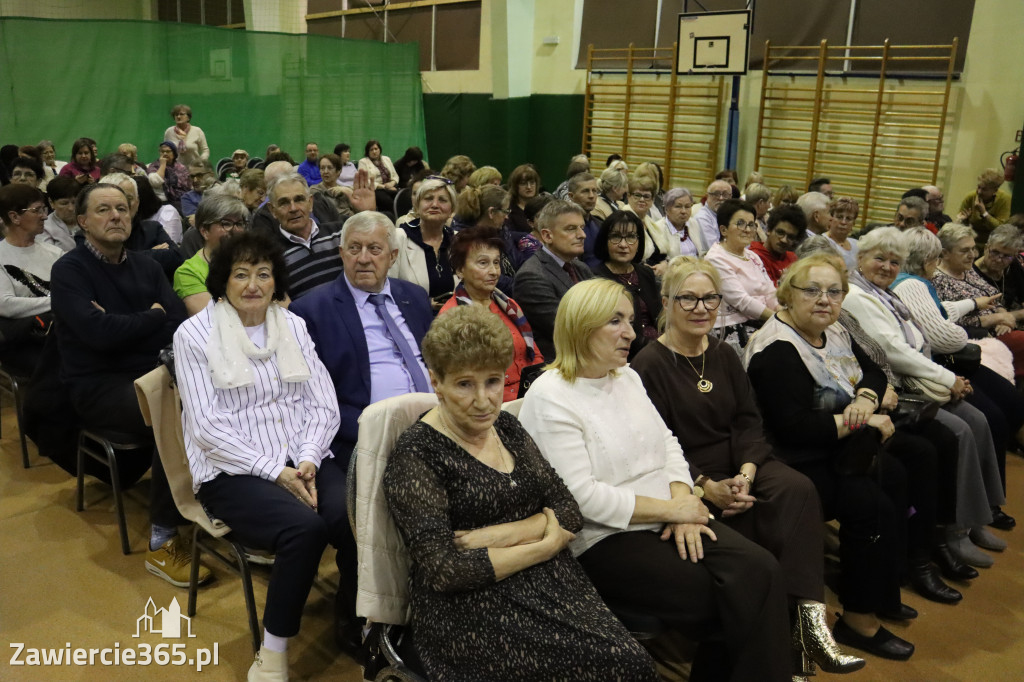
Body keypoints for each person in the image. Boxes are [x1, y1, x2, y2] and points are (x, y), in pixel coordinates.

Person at [519, 278, 792, 682]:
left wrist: (683, 505)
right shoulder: (551, 395)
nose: (631, 332)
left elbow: (668, 445)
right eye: (616, 321)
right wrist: (673, 508)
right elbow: (581, 498)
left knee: (762, 569)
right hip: (604, 536)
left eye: (630, 320)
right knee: (729, 597)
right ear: (581, 326)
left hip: (668, 513)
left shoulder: (625, 376)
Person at [383, 305, 657, 681]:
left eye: (493, 381)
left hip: (549, 579)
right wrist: (545, 541)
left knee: (632, 664)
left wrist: (500, 534)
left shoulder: (507, 427)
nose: (483, 400)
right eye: (465, 384)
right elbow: (446, 571)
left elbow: (569, 510)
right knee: (621, 666)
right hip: (473, 607)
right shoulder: (417, 454)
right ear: (436, 381)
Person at [632, 257, 865, 676]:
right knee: (758, 524)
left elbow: (747, 420)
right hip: (688, 474)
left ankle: (809, 628)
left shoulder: (721, 352)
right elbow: (658, 446)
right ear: (666, 302)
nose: (702, 308)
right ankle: (784, 650)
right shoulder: (647, 365)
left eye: (711, 299)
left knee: (796, 489)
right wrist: (706, 486)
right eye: (688, 298)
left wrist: (746, 472)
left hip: (741, 461)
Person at [173, 231, 343, 681]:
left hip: (301, 456)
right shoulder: (194, 334)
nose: (253, 284)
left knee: (350, 514)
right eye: (241, 274)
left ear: (276, 281)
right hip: (231, 470)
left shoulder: (293, 325)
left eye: (263, 274)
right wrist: (276, 473)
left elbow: (322, 402)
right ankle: (272, 651)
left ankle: (354, 618)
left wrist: (306, 460)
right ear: (222, 281)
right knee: (304, 530)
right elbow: (207, 427)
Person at [743, 255, 916, 660]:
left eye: (834, 291)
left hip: (832, 444)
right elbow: (794, 429)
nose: (825, 300)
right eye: (812, 290)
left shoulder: (833, 328)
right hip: (791, 458)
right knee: (867, 502)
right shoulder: (777, 349)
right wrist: (865, 422)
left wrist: (867, 397)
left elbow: (875, 371)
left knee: (898, 472)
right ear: (788, 294)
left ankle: (882, 591)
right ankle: (857, 619)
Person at [289, 211, 434, 649]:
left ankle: (436, 605)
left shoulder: (413, 296)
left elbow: (435, 362)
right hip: (352, 436)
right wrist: (379, 427)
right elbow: (309, 398)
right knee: (353, 516)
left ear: (392, 256)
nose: (364, 258)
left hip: (430, 425)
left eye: (374, 249)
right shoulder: (311, 308)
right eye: (354, 248)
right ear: (340, 254)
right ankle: (358, 617)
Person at [49, 183, 205, 587]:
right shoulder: (68, 271)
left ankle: (218, 503)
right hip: (99, 388)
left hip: (155, 373)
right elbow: (97, 335)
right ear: (82, 222)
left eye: (122, 208)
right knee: (175, 413)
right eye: (103, 210)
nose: (116, 215)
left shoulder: (147, 266)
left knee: (211, 396)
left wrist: (134, 322)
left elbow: (178, 324)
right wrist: (149, 318)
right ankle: (162, 540)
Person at [842, 227, 1013, 546]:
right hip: (898, 387)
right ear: (861, 258)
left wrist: (973, 305)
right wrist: (947, 378)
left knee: (981, 419)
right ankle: (952, 532)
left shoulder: (886, 291)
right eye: (879, 258)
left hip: (918, 378)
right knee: (958, 431)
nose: (887, 267)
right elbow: (894, 351)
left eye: (894, 262)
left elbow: (922, 330)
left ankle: (976, 518)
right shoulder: (857, 295)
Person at [893, 227, 1023, 550]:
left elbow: (940, 314)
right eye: (963, 250)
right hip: (940, 366)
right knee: (982, 421)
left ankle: (982, 510)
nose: (970, 255)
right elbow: (941, 336)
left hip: (952, 359)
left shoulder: (919, 283)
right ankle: (962, 525)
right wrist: (981, 329)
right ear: (933, 258)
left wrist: (974, 306)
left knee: (1008, 405)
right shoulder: (912, 283)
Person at [439, 227, 543, 401]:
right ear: (460, 270)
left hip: (531, 394)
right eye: (483, 263)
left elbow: (535, 357)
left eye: (496, 262)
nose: (494, 272)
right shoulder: (451, 317)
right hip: (490, 403)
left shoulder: (509, 305)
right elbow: (461, 382)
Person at [933, 222, 1024, 382]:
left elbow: (994, 296)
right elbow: (949, 320)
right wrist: (995, 319)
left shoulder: (966, 271)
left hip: (1001, 331)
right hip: (979, 339)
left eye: (973, 248)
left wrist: (1005, 317)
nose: (973, 255)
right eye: (965, 250)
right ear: (945, 253)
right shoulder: (938, 280)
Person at [513, 200, 594, 360]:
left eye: (582, 228)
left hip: (588, 355)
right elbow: (566, 329)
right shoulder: (531, 276)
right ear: (547, 235)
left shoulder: (581, 267)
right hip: (560, 364)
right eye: (571, 229)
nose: (582, 235)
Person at [0, 184, 62, 375]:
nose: (44, 216)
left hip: (60, 332)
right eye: (37, 210)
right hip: (22, 341)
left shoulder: (55, 253)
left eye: (44, 209)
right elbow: (5, 304)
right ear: (14, 217)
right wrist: (59, 301)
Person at [704, 199, 779, 350]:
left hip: (761, 321)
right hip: (731, 327)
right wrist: (777, 319)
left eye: (751, 224)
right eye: (740, 223)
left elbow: (770, 291)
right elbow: (741, 301)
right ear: (724, 230)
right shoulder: (715, 259)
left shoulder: (753, 256)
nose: (747, 229)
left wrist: (783, 313)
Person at [592, 211, 662, 359]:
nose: (623, 245)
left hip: (659, 346)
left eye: (631, 237)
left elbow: (660, 317)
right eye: (616, 237)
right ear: (605, 240)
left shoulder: (645, 273)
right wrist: (661, 347)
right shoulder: (596, 278)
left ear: (639, 241)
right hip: (624, 353)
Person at [98, 174, 183, 281]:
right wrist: (151, 254)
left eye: (128, 198)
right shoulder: (89, 234)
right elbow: (99, 268)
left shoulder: (153, 228)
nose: (123, 204)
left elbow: (176, 258)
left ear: (137, 203)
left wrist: (121, 259)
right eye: (113, 201)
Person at [174, 194, 249, 315]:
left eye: (239, 224)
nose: (236, 230)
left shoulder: (255, 260)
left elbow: (280, 303)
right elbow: (212, 319)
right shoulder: (188, 273)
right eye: (226, 223)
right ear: (205, 231)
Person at [390, 176, 457, 308]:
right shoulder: (399, 238)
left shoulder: (458, 240)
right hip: (413, 317)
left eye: (443, 200)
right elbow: (389, 288)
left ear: (452, 210)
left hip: (455, 319)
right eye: (428, 199)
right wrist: (423, 304)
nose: (435, 205)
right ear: (417, 206)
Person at [451, 184, 520, 293]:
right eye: (505, 211)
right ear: (491, 212)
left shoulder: (501, 231)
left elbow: (516, 260)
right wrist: (525, 287)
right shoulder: (465, 240)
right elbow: (491, 278)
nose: (507, 216)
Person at [973, 223, 1024, 317]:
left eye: (1007, 256)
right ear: (986, 248)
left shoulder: (1013, 265)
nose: (999, 259)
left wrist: (1009, 316)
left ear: (1014, 255)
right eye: (995, 252)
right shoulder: (972, 273)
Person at [750, 203, 805, 285]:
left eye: (790, 237)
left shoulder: (792, 258)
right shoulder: (753, 257)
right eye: (780, 232)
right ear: (768, 230)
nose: (784, 240)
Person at [956, 169, 1011, 245]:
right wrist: (963, 220)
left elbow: (1001, 229)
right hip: (971, 241)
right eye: (978, 187)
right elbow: (959, 225)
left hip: (994, 243)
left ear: (995, 190)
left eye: (984, 189)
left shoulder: (1004, 200)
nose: (979, 192)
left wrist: (984, 213)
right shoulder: (971, 197)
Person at [38, 176, 81, 252]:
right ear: (51, 203)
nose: (71, 208)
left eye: (74, 202)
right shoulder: (45, 228)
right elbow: (49, 256)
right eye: (64, 203)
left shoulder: (89, 221)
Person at [656, 187, 701, 257]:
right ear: (666, 209)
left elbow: (701, 253)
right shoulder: (658, 229)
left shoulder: (693, 223)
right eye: (678, 206)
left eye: (687, 206)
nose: (683, 211)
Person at [146, 142, 191, 209]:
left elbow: (187, 186)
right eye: (162, 151)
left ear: (174, 153)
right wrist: (163, 165)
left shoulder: (181, 168)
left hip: (180, 200)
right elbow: (155, 182)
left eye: (168, 151)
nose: (165, 154)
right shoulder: (154, 166)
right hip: (161, 201)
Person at [693, 179, 733, 254]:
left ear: (731, 197)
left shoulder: (731, 215)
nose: (721, 198)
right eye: (716, 194)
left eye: (725, 194)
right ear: (707, 196)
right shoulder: (702, 218)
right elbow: (713, 249)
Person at [163, 104, 210, 168]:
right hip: (175, 170)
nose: (178, 117)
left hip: (194, 169)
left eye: (181, 114)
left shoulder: (197, 131)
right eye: (176, 115)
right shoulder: (169, 132)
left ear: (188, 117)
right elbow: (165, 151)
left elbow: (205, 150)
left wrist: (200, 161)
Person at [358, 140, 398, 214]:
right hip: (375, 189)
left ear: (380, 149)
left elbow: (395, 175)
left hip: (390, 186)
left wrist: (392, 183)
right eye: (371, 150)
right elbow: (365, 180)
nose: (374, 151)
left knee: (402, 198)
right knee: (387, 201)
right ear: (367, 152)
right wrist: (384, 187)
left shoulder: (387, 159)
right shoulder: (363, 162)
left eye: (376, 149)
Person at [311, 153, 354, 219]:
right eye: (322, 168)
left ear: (338, 171)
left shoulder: (345, 190)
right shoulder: (315, 190)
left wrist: (349, 193)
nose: (325, 171)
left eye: (329, 168)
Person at [826, 196, 860, 271]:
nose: (843, 222)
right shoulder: (822, 242)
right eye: (839, 217)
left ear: (853, 223)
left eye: (848, 219)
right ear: (831, 218)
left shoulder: (857, 245)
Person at [506, 164, 541, 235]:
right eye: (523, 183)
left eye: (532, 183)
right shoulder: (509, 209)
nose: (529, 187)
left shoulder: (543, 205)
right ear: (515, 186)